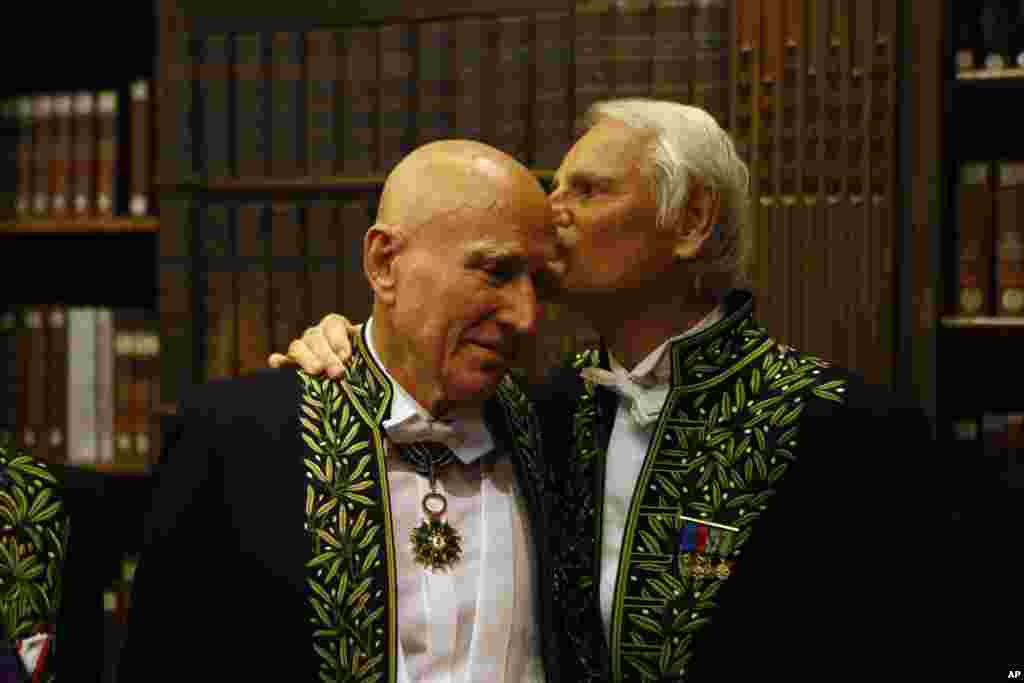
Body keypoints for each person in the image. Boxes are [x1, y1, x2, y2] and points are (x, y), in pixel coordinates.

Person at [270, 98, 940, 681]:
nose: (552, 212)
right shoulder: (547, 409)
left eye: (587, 190)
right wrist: (344, 346)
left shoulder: (846, 426)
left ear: (692, 219)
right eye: (554, 186)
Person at [118, 140, 566, 683]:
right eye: (496, 271)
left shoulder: (556, 433)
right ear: (384, 263)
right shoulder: (234, 441)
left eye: (539, 283)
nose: (526, 316)